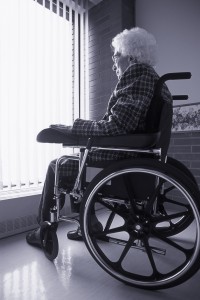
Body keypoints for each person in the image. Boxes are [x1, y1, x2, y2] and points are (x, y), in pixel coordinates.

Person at [26, 27, 172, 247]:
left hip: (118, 163)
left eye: (116, 54)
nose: (113, 62)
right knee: (82, 158)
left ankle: (43, 230)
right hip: (133, 158)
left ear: (130, 55)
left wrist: (73, 128)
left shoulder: (137, 76)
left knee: (58, 165)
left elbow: (117, 127)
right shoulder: (154, 79)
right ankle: (90, 224)